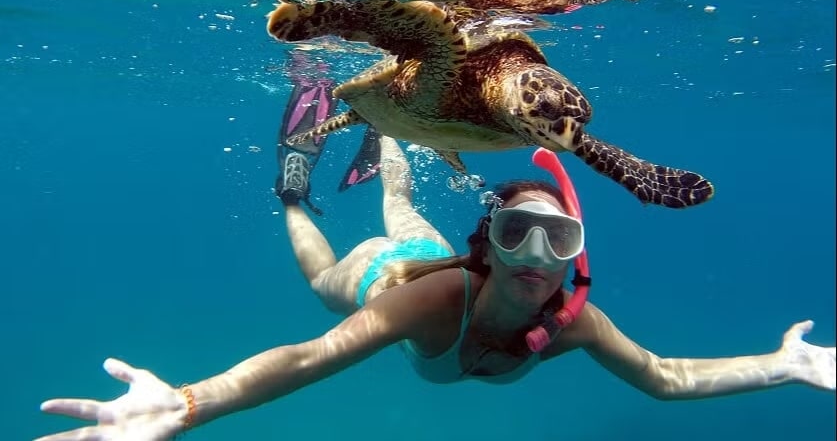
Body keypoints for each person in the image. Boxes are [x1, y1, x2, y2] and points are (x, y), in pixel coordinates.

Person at [36, 94, 835, 441]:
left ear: (576, 254)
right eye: (517, 233)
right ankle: (292, 194)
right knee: (323, 281)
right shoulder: (434, 304)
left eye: (556, 240)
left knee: (402, 201)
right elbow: (308, 358)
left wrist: (785, 364)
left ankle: (390, 135)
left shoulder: (574, 325)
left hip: (427, 252)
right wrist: (188, 404)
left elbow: (662, 377)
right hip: (389, 276)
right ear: (490, 243)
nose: (536, 257)